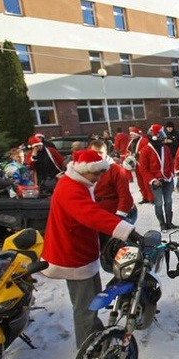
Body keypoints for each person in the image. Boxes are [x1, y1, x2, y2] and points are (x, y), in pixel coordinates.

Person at [41, 149, 140, 348]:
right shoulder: (71, 188)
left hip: (80, 251)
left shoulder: (77, 183)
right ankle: (89, 348)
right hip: (73, 255)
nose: (99, 178)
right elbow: (90, 214)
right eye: (96, 174)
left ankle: (95, 335)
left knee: (90, 297)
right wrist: (125, 230)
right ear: (83, 170)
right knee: (85, 305)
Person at [139, 123, 176, 231]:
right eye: (160, 134)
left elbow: (170, 162)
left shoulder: (165, 149)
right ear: (154, 136)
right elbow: (143, 169)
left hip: (167, 179)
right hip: (155, 181)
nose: (162, 137)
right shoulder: (145, 150)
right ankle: (162, 223)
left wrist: (171, 174)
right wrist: (153, 180)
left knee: (168, 201)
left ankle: (169, 222)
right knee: (158, 203)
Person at [89, 139, 134, 220]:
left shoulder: (116, 170)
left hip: (111, 212)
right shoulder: (86, 170)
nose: (98, 155)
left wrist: (120, 216)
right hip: (93, 213)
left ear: (106, 152)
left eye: (101, 152)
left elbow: (125, 196)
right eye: (95, 152)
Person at [128, 126, 153, 204]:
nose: (131, 136)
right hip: (136, 164)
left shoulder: (144, 140)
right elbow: (129, 150)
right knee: (140, 182)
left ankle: (151, 198)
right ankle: (145, 197)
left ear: (136, 134)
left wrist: (138, 154)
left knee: (146, 182)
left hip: (144, 164)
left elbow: (148, 150)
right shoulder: (132, 141)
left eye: (132, 134)